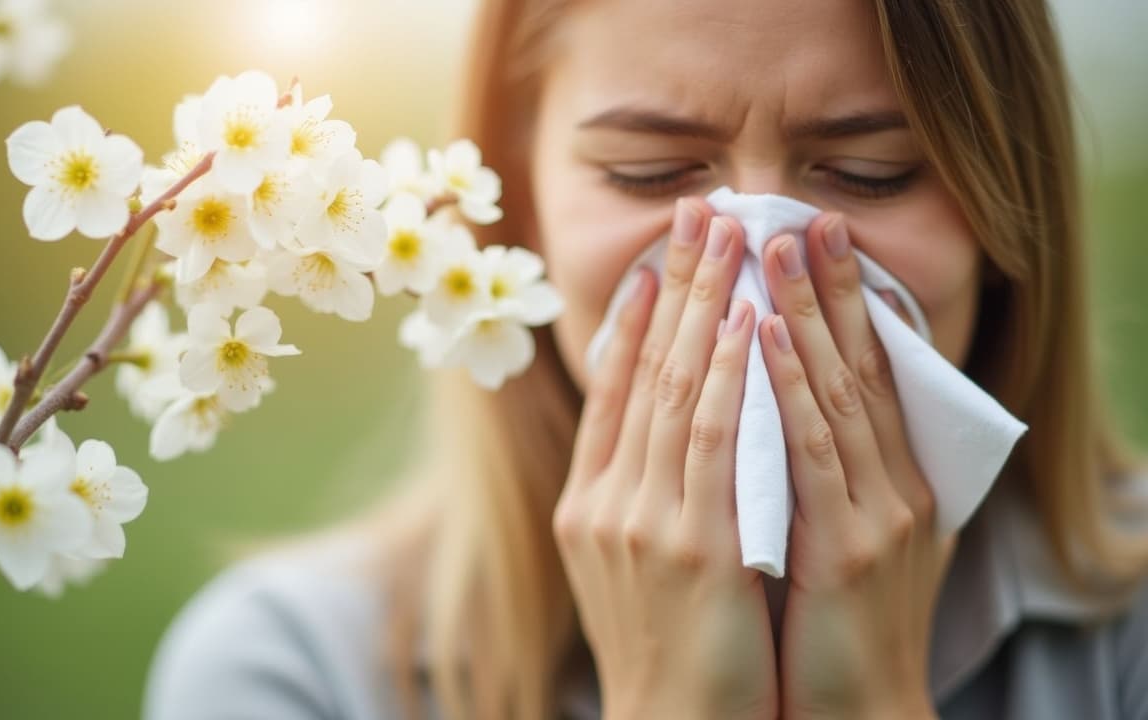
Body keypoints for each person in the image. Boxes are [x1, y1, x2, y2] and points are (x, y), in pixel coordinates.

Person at [142, 1, 1148, 718]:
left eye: (866, 174)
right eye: (648, 173)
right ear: (517, 199)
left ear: (1002, 200)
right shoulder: (294, 671)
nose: (758, 260)